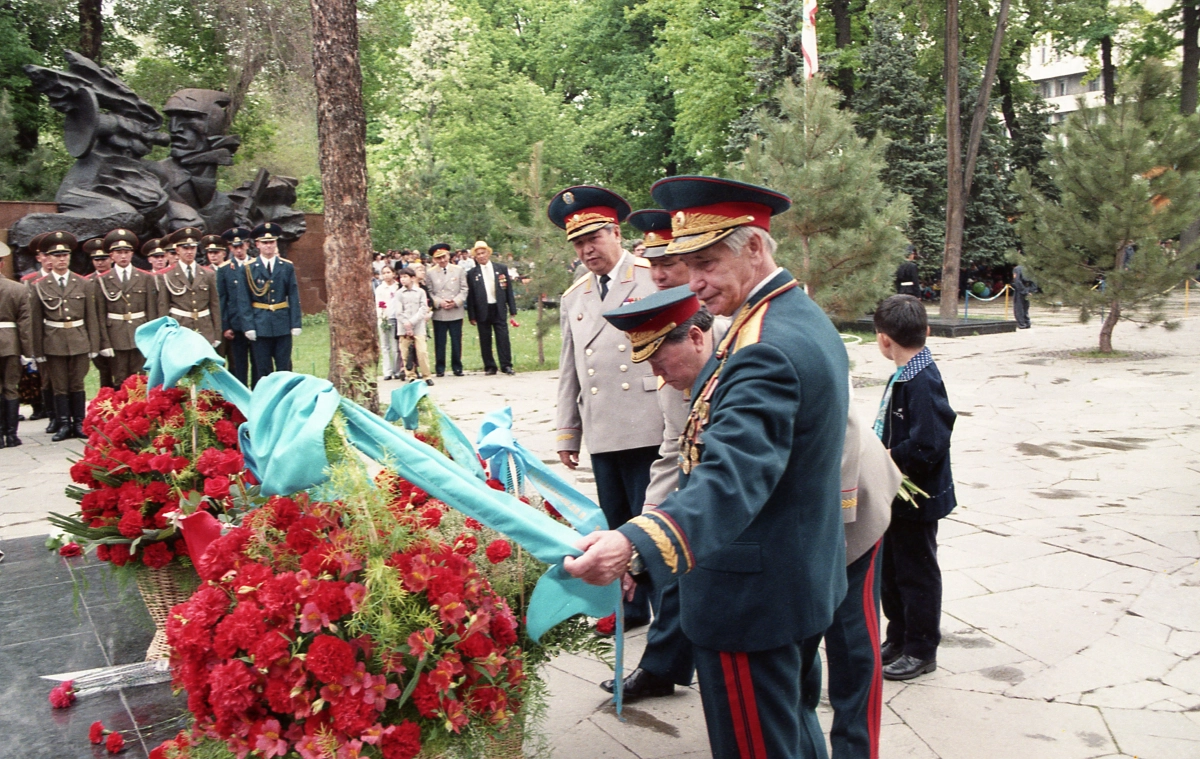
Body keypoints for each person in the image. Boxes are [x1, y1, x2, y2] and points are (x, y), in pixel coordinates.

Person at [564, 176, 849, 759]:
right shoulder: (786, 316)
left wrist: (633, 544)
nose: (695, 281)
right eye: (686, 263)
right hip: (786, 584)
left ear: (754, 249)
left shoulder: (766, 344)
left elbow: (731, 477)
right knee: (793, 738)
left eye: (708, 262)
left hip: (751, 600)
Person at [549, 185, 663, 633]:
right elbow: (569, 370)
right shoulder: (574, 297)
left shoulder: (652, 277)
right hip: (603, 429)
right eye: (578, 243)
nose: (587, 250)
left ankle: (667, 615)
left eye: (593, 238)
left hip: (649, 425)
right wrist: (567, 432)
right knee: (615, 521)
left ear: (615, 232)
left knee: (650, 523)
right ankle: (631, 608)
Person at [598, 210, 699, 700]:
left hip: (844, 501)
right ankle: (665, 664)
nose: (658, 274)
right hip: (694, 473)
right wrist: (644, 528)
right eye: (653, 262)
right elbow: (675, 446)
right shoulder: (668, 331)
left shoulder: (726, 330)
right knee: (673, 551)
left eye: (671, 262)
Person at [872, 294, 957, 682]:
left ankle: (922, 648)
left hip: (917, 497)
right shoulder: (907, 373)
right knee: (891, 570)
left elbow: (931, 442)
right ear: (925, 330)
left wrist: (890, 455)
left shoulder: (922, 380)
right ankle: (899, 636)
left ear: (883, 340)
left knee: (916, 574)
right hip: (897, 494)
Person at [30, 232, 103, 441]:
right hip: (53, 341)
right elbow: (35, 321)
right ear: (49, 259)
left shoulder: (83, 283)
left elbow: (92, 317)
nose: (62, 259)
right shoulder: (40, 286)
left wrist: (94, 345)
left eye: (65, 255)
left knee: (77, 383)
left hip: (79, 339)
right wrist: (37, 351)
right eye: (56, 255)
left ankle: (79, 422)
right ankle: (63, 423)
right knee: (59, 385)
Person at [236, 223, 301, 385]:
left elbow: (293, 295)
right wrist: (248, 326)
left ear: (276, 243)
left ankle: (285, 400)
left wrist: (295, 323)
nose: (268, 246)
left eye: (271, 242)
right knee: (262, 368)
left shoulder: (286, 266)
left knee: (284, 367)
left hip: (282, 323)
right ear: (257, 244)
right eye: (264, 243)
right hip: (260, 324)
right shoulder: (248, 268)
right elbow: (243, 300)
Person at [95, 228, 157, 389]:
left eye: (127, 252)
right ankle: (122, 413)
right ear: (111, 255)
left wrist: (151, 338)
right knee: (120, 378)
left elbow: (151, 310)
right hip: (116, 335)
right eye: (119, 252)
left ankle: (140, 412)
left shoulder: (145, 278)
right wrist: (104, 342)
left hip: (140, 333)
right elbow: (100, 315)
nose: (123, 256)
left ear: (132, 254)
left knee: (140, 378)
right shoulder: (103, 280)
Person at [157, 227, 222, 349]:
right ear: (177, 250)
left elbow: (214, 305)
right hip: (180, 328)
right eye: (185, 248)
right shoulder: (166, 276)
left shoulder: (208, 274)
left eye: (192, 248)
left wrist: (217, 334)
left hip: (204, 327)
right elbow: (163, 307)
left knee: (204, 366)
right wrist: (165, 334)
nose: (189, 252)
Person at [465, 240, 518, 376]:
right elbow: (470, 296)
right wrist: (472, 315)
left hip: (498, 307)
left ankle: (506, 365)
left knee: (503, 337)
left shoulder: (500, 268)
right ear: (475, 257)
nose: (481, 256)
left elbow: (508, 290)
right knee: (485, 338)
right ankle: (489, 366)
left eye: (483, 253)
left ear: (488, 253)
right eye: (478, 255)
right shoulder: (472, 273)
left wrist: (512, 309)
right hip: (482, 309)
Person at [0, 240, 32, 446]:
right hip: (11, 344)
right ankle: (11, 434)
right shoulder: (17, 289)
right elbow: (25, 323)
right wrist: (28, 351)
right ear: (2, 263)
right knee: (11, 388)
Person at [425, 244, 468, 377]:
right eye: (438, 258)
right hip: (440, 312)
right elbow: (429, 292)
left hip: (455, 310)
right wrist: (438, 302)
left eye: (444, 257)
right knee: (440, 341)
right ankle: (440, 367)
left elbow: (464, 289)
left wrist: (455, 302)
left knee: (456, 341)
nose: (442, 260)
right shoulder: (430, 272)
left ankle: (457, 366)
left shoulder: (459, 270)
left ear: (449, 256)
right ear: (434, 259)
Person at [219, 227, 256, 384]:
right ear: (229, 248)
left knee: (258, 363)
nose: (239, 250)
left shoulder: (256, 265)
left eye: (241, 246)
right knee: (238, 364)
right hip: (236, 324)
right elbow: (222, 299)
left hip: (256, 321)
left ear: (247, 245)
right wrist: (225, 325)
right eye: (235, 247)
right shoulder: (224, 269)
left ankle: (257, 393)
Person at [83, 238, 116, 389]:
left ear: (111, 258)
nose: (100, 263)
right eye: (96, 259)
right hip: (96, 332)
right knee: (104, 370)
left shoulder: (116, 278)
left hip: (116, 330)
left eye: (103, 259)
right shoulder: (86, 282)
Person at [396, 267, 433, 384]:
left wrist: (411, 322)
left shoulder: (420, 292)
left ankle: (427, 376)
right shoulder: (399, 293)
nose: (403, 280)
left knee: (422, 352)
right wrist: (406, 324)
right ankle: (411, 375)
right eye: (401, 277)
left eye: (405, 277)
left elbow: (423, 308)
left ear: (412, 278)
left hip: (418, 326)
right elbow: (398, 311)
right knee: (406, 352)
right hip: (404, 327)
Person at [374, 264, 402, 380]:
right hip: (384, 319)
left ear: (394, 274)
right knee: (385, 346)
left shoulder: (397, 287)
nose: (386, 275)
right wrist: (381, 316)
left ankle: (397, 370)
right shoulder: (380, 288)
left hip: (395, 318)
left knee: (395, 346)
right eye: (384, 273)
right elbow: (379, 304)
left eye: (388, 272)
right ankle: (387, 371)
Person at [1012, 263, 1035, 329]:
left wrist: (1024, 291)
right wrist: (1031, 290)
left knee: (1019, 307)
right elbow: (1034, 281)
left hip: (1020, 290)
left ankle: (1021, 323)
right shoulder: (1030, 268)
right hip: (1028, 288)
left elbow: (1017, 281)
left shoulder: (1017, 269)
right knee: (1025, 307)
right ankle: (1027, 322)